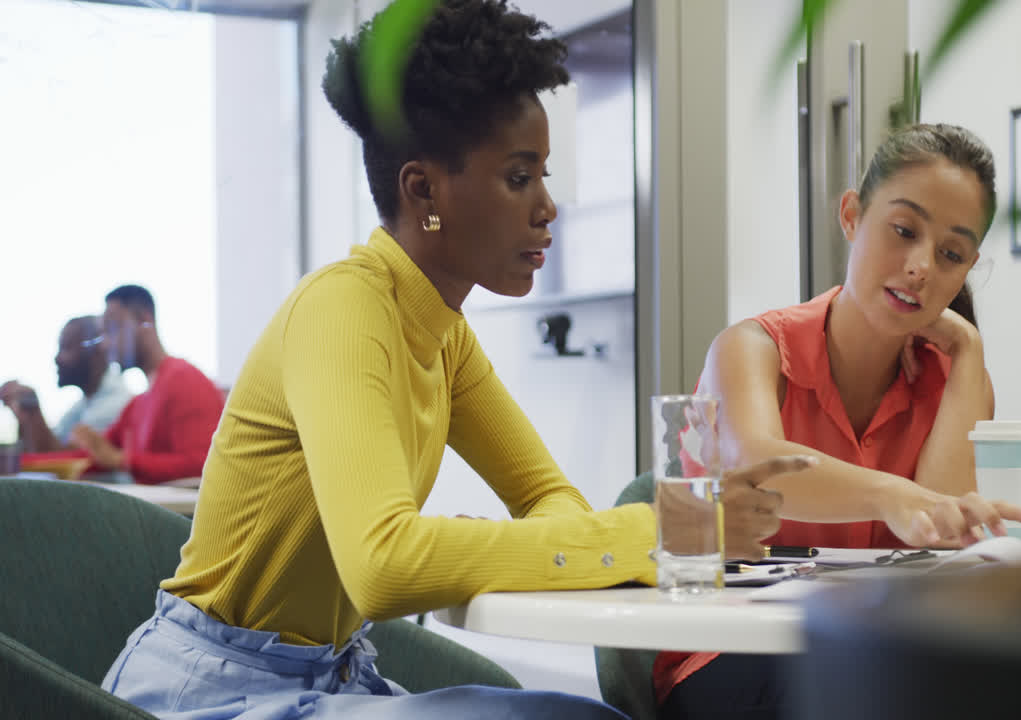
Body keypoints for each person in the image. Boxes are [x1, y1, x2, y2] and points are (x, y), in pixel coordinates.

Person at [99, 2, 810, 718]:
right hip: (209, 690)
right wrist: (657, 530)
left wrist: (598, 535)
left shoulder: (443, 334)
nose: (548, 207)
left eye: (543, 175)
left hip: (331, 675)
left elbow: (548, 499)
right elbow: (384, 566)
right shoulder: (344, 310)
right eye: (518, 177)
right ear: (423, 191)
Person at [653, 124, 1021, 720]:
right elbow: (760, 467)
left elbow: (939, 528)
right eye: (905, 231)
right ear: (853, 216)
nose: (920, 268)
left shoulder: (956, 380)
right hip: (734, 654)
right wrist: (890, 496)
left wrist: (968, 356)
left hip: (878, 655)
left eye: (951, 255)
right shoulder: (752, 348)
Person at [24, 285, 225, 484]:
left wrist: (122, 460)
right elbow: (90, 457)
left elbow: (202, 464)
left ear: (144, 321)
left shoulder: (185, 380)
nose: (105, 344)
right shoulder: (138, 403)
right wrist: (21, 462)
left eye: (113, 329)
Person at [1, 315, 133, 452]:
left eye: (66, 347)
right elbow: (49, 445)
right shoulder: (84, 404)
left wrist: (33, 410)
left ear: (95, 352)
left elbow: (64, 459)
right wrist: (26, 417)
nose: (57, 358)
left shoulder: (116, 403)